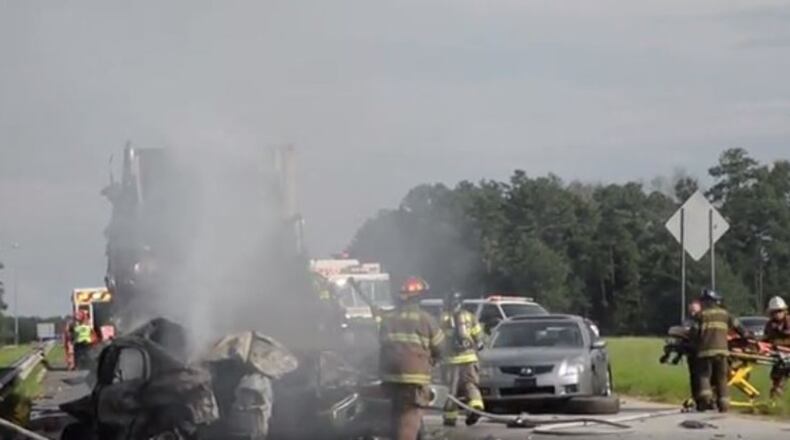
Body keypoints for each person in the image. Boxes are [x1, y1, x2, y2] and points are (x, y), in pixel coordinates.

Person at [379, 276, 445, 440]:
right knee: (409, 418)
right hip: (414, 378)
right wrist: (434, 358)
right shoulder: (426, 319)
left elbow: (382, 343)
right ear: (420, 297)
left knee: (396, 417)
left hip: (390, 377)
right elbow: (440, 347)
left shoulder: (388, 319)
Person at [691, 289, 748, 412]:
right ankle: (724, 405)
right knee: (721, 378)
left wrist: (694, 344)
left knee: (704, 376)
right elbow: (740, 328)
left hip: (705, 352)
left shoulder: (700, 315)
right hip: (722, 352)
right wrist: (747, 337)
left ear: (705, 302)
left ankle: (706, 398)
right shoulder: (726, 314)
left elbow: (694, 333)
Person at [440, 292, 485, 427]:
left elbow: (439, 338)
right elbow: (480, 339)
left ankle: (450, 417)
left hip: (451, 360)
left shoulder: (444, 318)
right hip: (470, 359)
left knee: (450, 391)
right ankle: (476, 407)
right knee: (471, 385)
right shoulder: (470, 317)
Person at [763, 296, 790, 399]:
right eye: (775, 312)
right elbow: (766, 338)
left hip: (786, 354)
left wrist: (777, 343)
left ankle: (777, 392)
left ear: (784, 311)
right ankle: (775, 398)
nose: (777, 314)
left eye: (779, 311)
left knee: (783, 370)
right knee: (777, 375)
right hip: (777, 355)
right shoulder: (770, 324)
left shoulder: (788, 321)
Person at [684, 300, 703, 404]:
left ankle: (702, 398)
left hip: (701, 351)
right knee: (694, 376)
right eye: (691, 311)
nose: (693, 313)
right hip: (692, 351)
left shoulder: (702, 319)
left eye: (695, 311)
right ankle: (696, 397)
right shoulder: (687, 321)